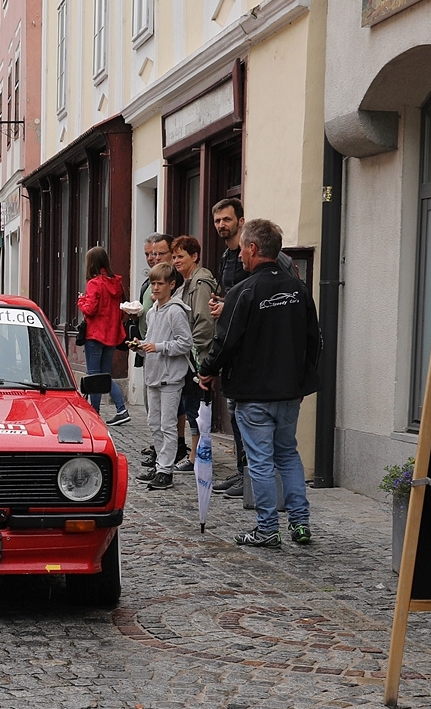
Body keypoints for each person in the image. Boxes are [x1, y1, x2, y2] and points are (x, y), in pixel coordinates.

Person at [198, 218, 322, 548]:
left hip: (254, 393)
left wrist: (207, 369)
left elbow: (226, 341)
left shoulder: (245, 291)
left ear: (254, 249)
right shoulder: (299, 290)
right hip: (289, 392)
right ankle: (300, 524)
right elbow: (315, 339)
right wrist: (302, 374)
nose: (239, 257)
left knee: (260, 461)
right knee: (288, 455)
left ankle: (267, 529)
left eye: (242, 250)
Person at [171, 234, 225, 493]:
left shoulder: (200, 282)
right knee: (192, 405)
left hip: (198, 355)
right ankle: (195, 455)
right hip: (192, 354)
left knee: (197, 405)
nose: (176, 261)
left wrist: (192, 349)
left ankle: (197, 457)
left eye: (180, 256)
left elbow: (204, 321)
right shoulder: (189, 282)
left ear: (194, 256)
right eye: (174, 257)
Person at [134, 263, 191, 490]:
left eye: (160, 284)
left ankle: (166, 470)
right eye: (153, 283)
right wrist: (139, 346)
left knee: (168, 425)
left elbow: (185, 343)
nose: (155, 288)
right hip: (153, 374)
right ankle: (160, 465)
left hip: (170, 377)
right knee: (154, 423)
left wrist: (158, 347)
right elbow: (151, 340)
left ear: (171, 285)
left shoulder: (176, 311)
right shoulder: (152, 311)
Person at [76, 245, 130, 425]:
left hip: (95, 335)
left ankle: (108, 410)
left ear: (91, 264)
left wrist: (81, 300)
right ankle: (107, 411)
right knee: (104, 375)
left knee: (95, 376)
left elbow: (90, 310)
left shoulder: (94, 284)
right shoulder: (116, 283)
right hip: (112, 334)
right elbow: (122, 310)